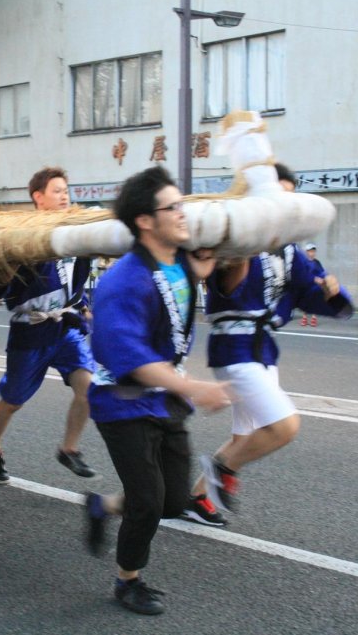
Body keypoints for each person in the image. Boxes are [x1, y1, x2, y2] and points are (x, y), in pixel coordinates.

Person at [81, 166, 232, 615]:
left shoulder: (180, 261)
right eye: (174, 208)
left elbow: (200, 269)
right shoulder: (122, 281)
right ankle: (128, 581)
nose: (183, 214)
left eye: (183, 205)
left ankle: (103, 505)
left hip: (165, 398)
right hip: (122, 401)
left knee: (171, 501)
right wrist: (193, 387)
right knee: (147, 502)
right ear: (145, 221)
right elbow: (126, 355)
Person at [185, 163, 353, 522]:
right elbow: (225, 286)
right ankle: (220, 469)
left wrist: (331, 291)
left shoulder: (289, 249)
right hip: (234, 346)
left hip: (262, 350)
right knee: (284, 426)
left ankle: (197, 497)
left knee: (245, 434)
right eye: (277, 197)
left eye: (289, 199)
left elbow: (309, 289)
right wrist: (241, 254)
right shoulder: (234, 242)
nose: (284, 208)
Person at [0, 166, 96, 484]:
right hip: (30, 330)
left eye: (66, 190)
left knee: (89, 386)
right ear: (38, 197)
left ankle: (69, 449)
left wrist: (82, 304)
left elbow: (77, 277)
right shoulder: (21, 237)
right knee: (13, 401)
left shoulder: (75, 231)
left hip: (64, 327)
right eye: (57, 191)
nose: (64, 196)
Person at [299, 243, 325, 327]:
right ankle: (304, 317)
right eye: (310, 251)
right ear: (306, 252)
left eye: (313, 251)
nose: (312, 253)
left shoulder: (317, 263)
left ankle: (314, 317)